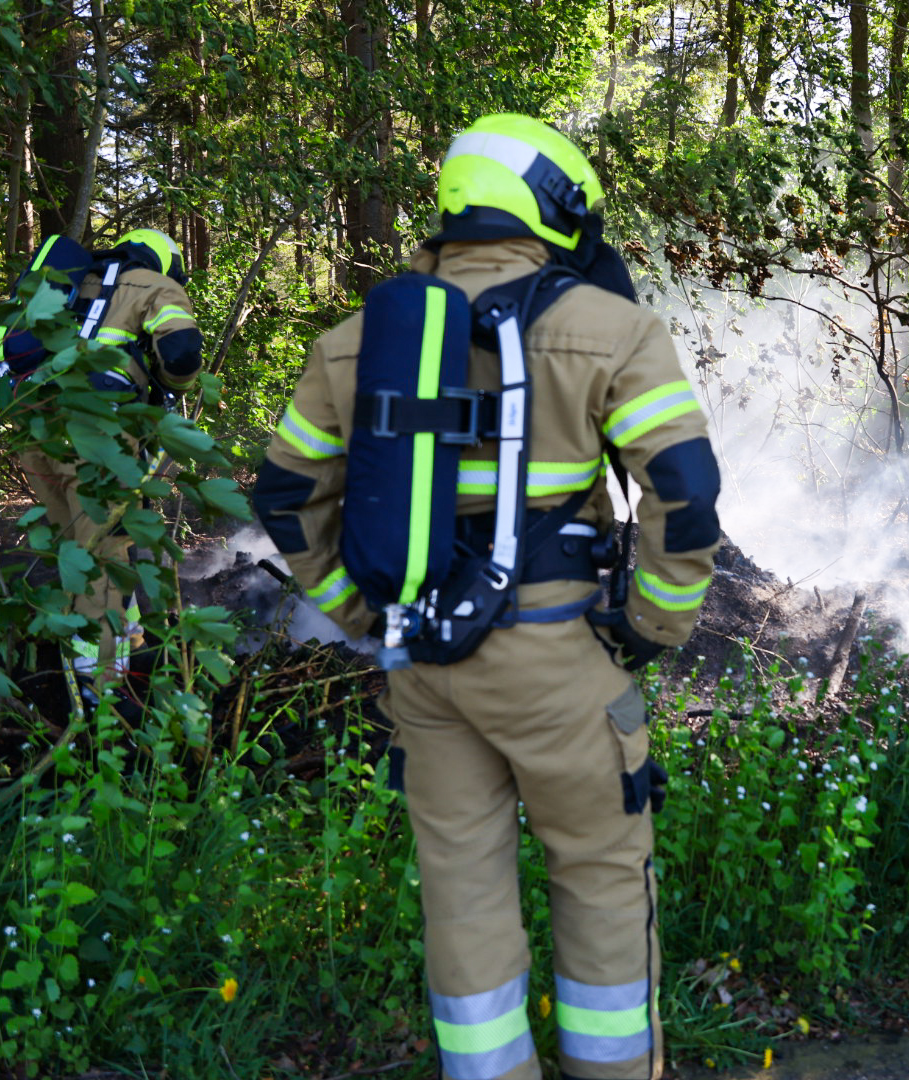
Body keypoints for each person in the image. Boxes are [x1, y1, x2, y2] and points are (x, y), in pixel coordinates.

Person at [253, 114, 719, 1080]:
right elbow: (685, 487)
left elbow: (288, 495)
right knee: (596, 877)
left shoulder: (355, 342)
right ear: (556, 206)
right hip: (555, 661)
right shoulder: (614, 329)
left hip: (422, 671)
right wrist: (652, 627)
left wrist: (361, 616)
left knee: (462, 892)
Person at [0, 228, 204, 680]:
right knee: (100, 553)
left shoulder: (75, 282)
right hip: (98, 430)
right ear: (165, 263)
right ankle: (100, 690)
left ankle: (128, 644)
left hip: (35, 428)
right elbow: (183, 352)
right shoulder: (155, 285)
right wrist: (171, 389)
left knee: (73, 547)